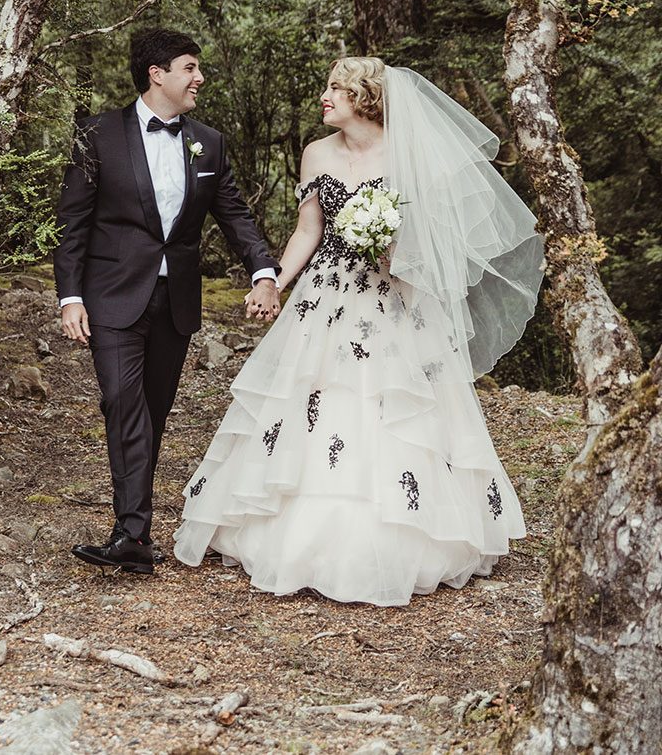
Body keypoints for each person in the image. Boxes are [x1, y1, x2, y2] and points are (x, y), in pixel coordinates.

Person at [173, 56, 544, 606]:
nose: (324, 97)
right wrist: (274, 281)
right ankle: (292, 532)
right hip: (327, 296)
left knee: (391, 405)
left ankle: (400, 537)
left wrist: (394, 250)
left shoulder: (408, 154)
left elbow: (434, 242)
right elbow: (307, 231)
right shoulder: (317, 154)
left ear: (365, 98)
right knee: (313, 396)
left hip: (392, 300)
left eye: (335, 89)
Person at [53, 28, 280, 576]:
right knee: (122, 403)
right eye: (189, 67)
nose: (199, 77)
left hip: (175, 300)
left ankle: (131, 532)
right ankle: (133, 534)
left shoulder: (210, 142)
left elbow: (235, 215)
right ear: (157, 74)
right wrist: (70, 296)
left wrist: (265, 272)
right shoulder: (97, 134)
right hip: (111, 297)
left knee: (151, 413)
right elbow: (73, 223)